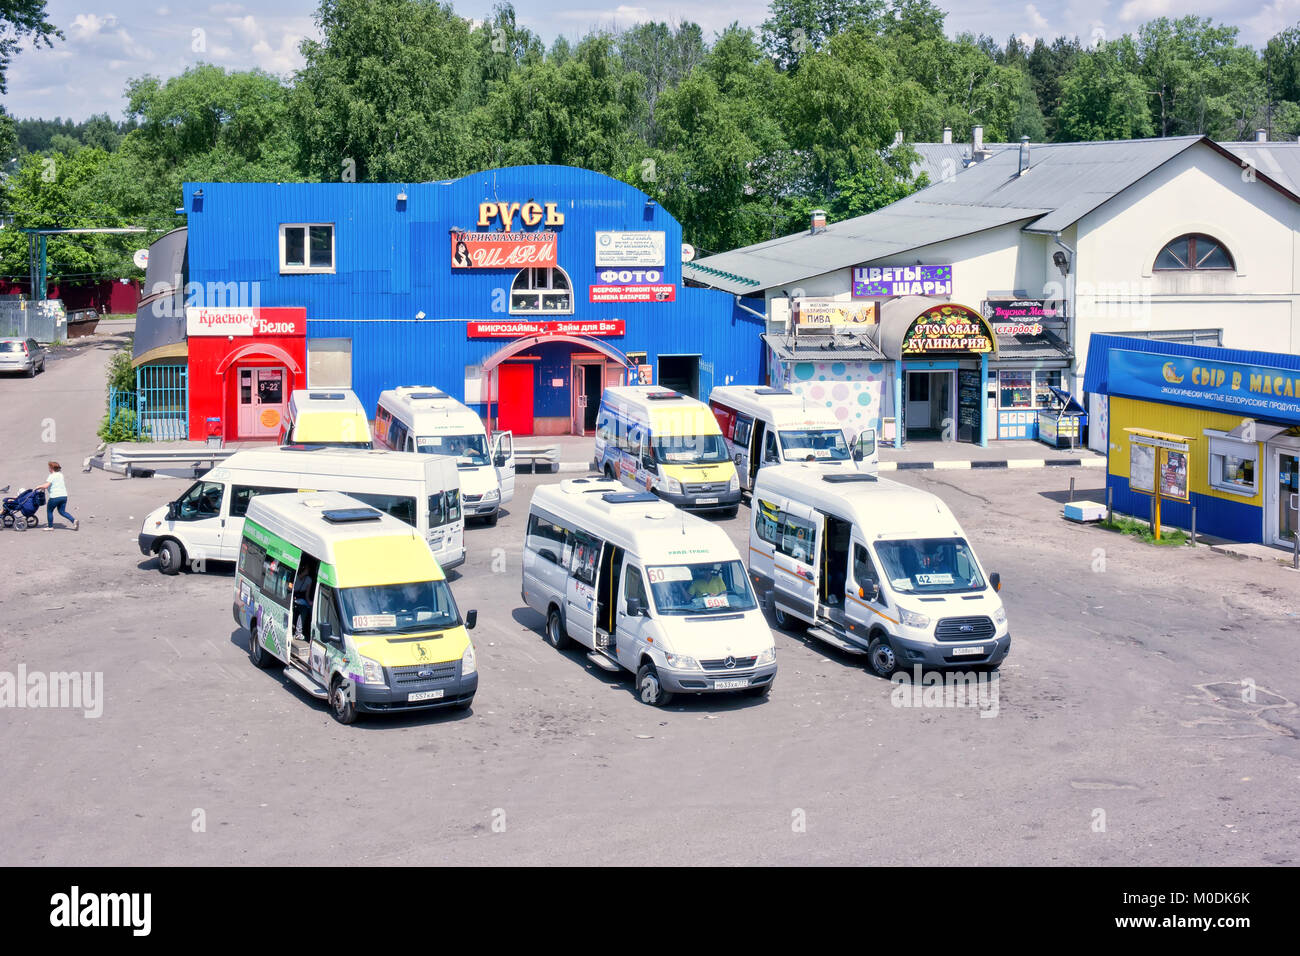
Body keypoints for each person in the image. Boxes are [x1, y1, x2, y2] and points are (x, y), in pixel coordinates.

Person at [36, 461, 76, 531]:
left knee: (49, 511)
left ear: (51, 468)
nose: (48, 468)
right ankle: (74, 521)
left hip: (55, 497)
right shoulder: (60, 475)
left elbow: (46, 485)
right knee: (62, 511)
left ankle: (50, 527)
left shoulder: (51, 476)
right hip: (64, 496)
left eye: (49, 467)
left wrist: (39, 486)